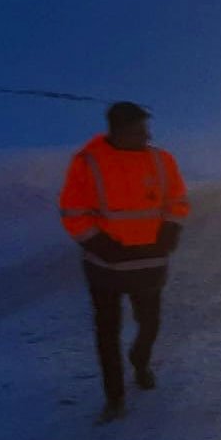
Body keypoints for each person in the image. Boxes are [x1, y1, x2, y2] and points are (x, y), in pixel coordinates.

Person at [59, 102, 189, 422]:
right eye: (137, 131)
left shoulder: (161, 160)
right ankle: (114, 396)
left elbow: (178, 200)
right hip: (105, 265)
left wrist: (170, 230)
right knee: (107, 332)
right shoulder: (87, 162)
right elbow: (73, 211)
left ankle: (140, 361)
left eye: (146, 129)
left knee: (150, 322)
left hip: (149, 261)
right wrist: (100, 244)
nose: (145, 136)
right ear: (115, 131)